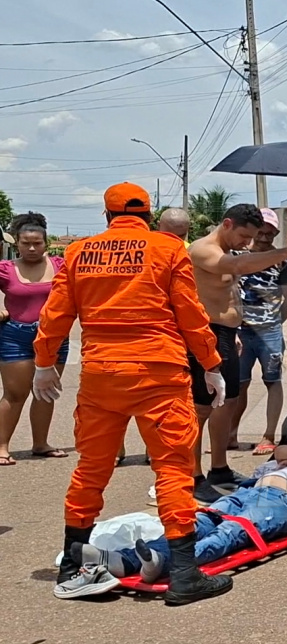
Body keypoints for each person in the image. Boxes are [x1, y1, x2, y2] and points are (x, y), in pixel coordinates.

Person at [33, 181, 232, 604]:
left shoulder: (77, 252)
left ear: (107, 216)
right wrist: (212, 365)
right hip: (160, 372)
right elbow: (191, 315)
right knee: (174, 468)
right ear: (148, 215)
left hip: (102, 375)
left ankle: (73, 564)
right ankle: (184, 574)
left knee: (91, 467)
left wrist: (43, 363)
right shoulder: (168, 248)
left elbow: (55, 314)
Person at [67, 430, 287, 590]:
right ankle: (125, 560)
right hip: (251, 492)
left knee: (231, 532)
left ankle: (162, 562)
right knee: (200, 520)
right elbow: (281, 452)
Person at [187, 204, 287, 503]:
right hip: (208, 334)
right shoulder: (203, 250)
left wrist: (235, 330)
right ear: (227, 224)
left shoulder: (229, 251)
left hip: (228, 335)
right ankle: (192, 476)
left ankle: (219, 468)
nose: (247, 243)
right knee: (201, 408)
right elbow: (238, 267)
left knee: (227, 403)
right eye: (244, 236)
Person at [0, 213, 70, 465]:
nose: (31, 248)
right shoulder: (6, 269)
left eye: (37, 243)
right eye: (25, 243)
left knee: (45, 392)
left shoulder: (61, 265)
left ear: (46, 243)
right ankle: (2, 447)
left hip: (54, 337)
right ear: (16, 243)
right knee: (15, 394)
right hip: (15, 336)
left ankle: (41, 443)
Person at [228, 208, 287, 456]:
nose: (264, 238)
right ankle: (231, 433)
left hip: (269, 331)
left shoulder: (283, 261)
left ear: (276, 233)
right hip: (240, 330)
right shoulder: (236, 255)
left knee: (272, 380)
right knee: (238, 384)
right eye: (261, 233)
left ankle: (268, 435)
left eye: (270, 234)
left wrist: (276, 321)